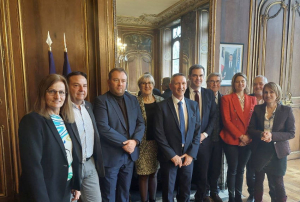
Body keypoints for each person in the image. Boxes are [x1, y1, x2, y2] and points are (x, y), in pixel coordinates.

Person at [18, 74, 82, 202]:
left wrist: (76, 184)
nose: (57, 96)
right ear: (43, 93)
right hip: (45, 191)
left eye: (61, 92)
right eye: (52, 91)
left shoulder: (66, 120)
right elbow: (33, 167)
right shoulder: (32, 121)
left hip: (65, 187)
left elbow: (71, 155)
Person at [93, 68, 145, 202]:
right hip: (111, 157)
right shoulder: (101, 101)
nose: (120, 84)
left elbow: (141, 123)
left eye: (123, 81)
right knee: (108, 195)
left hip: (129, 156)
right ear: (109, 82)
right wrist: (125, 143)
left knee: (124, 193)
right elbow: (103, 127)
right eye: (116, 80)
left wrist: (134, 142)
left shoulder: (133, 99)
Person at [154, 73, 201, 202]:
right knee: (168, 191)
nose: (181, 86)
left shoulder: (193, 106)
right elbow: (159, 134)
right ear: (170, 86)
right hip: (169, 157)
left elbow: (197, 132)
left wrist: (191, 154)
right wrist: (171, 155)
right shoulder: (161, 106)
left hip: (187, 157)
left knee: (185, 190)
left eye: (183, 83)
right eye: (177, 83)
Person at [247, 82, 295, 202]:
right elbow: (251, 129)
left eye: (271, 92)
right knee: (258, 180)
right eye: (266, 92)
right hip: (260, 150)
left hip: (278, 152)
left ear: (277, 93)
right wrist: (261, 134)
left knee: (278, 182)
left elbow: (291, 133)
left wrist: (272, 136)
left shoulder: (286, 110)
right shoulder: (258, 109)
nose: (268, 95)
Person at [67, 71, 105, 202]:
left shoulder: (88, 106)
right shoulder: (61, 109)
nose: (82, 89)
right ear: (67, 87)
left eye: (85, 85)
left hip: (90, 164)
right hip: (70, 167)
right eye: (76, 85)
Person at [220, 72, 256, 202]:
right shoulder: (226, 99)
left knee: (241, 170)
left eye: (242, 81)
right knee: (233, 169)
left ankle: (238, 197)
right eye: (237, 81)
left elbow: (254, 121)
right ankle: (231, 198)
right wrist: (241, 136)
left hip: (248, 140)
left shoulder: (252, 99)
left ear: (246, 83)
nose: (240, 83)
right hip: (232, 139)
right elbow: (226, 121)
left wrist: (247, 137)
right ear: (233, 84)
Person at [184, 64, 217, 202]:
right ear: (190, 77)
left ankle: (200, 198)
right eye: (195, 75)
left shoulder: (209, 93)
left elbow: (214, 116)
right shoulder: (183, 92)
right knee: (186, 174)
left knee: (203, 173)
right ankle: (183, 198)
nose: (198, 78)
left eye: (201, 75)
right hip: (185, 141)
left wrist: (205, 134)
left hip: (204, 141)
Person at [135, 74, 164, 202]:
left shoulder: (160, 100)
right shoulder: (135, 101)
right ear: (140, 86)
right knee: (143, 175)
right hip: (141, 143)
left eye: (150, 83)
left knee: (154, 173)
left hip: (157, 143)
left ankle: (152, 199)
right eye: (143, 83)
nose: (147, 85)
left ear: (153, 85)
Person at [246, 75, 268, 202]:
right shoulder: (247, 98)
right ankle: (252, 194)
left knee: (266, 171)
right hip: (251, 140)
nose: (258, 86)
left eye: (260, 84)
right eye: (255, 84)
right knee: (251, 170)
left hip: (267, 142)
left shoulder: (271, 99)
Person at [205, 72, 223, 202]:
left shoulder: (224, 99)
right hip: (204, 139)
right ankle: (205, 192)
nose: (214, 84)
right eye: (212, 81)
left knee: (216, 168)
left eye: (217, 81)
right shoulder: (203, 97)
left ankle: (214, 191)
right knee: (204, 167)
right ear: (207, 83)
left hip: (219, 139)